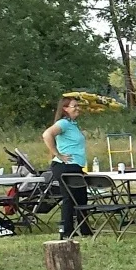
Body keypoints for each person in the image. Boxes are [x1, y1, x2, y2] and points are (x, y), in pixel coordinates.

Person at [42, 96, 90, 239]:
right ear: (65, 109)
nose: (77, 108)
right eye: (74, 106)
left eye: (77, 105)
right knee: (69, 197)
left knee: (82, 197)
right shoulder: (63, 123)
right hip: (65, 165)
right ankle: (66, 230)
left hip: (76, 166)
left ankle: (84, 229)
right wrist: (57, 153)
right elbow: (47, 134)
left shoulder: (73, 124)